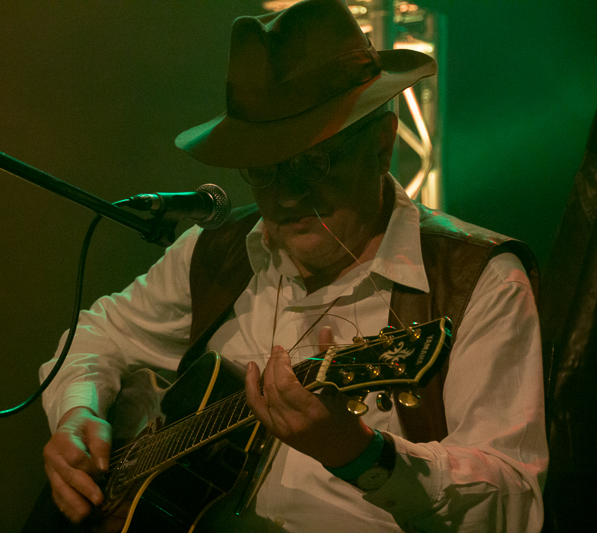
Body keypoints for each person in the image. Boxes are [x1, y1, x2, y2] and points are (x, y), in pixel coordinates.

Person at [37, 1, 548, 531]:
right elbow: (95, 335)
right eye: (264, 171)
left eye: (311, 162)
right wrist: (78, 413)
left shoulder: (476, 279)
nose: (284, 197)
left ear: (382, 144)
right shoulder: (217, 249)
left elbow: (514, 504)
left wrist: (362, 455)